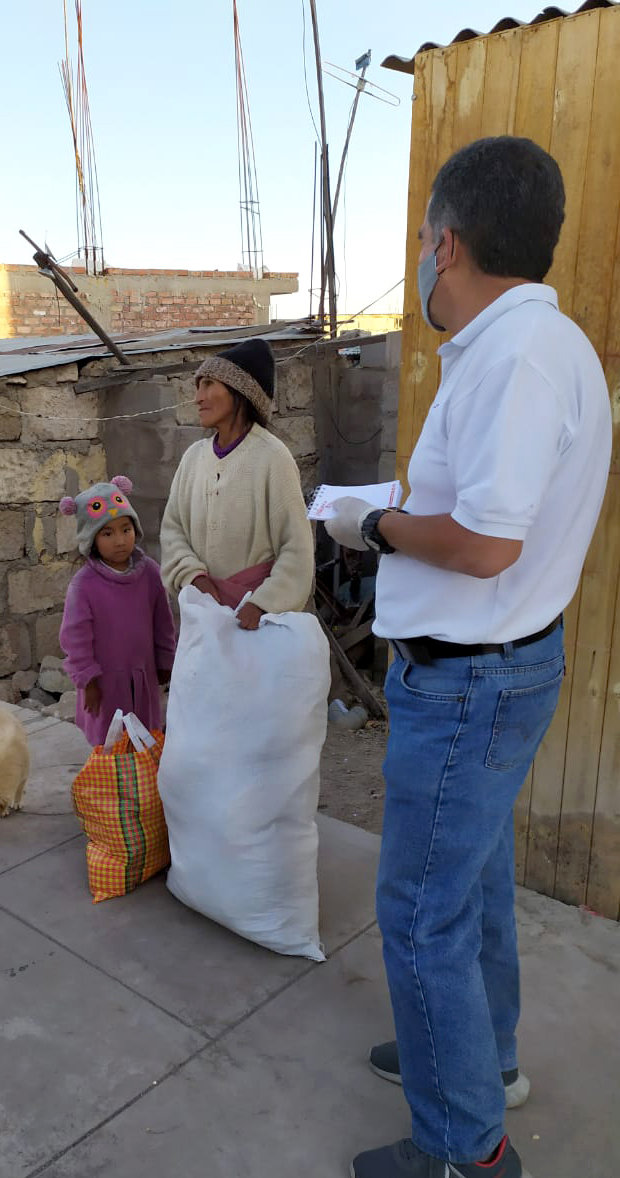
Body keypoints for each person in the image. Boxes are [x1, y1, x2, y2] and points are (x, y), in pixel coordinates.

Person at [326, 137, 611, 1178]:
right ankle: (476, 1061)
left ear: (446, 242)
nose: (418, 261)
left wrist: (380, 526)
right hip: (494, 669)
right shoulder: (530, 346)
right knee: (476, 876)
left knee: (416, 907)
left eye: (418, 242)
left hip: (473, 678)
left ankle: (464, 1151)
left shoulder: (517, 357)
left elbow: (488, 543)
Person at [159, 337, 314, 625]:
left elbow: (297, 549)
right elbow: (173, 529)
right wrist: (194, 577)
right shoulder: (194, 458)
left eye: (209, 385)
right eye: (199, 386)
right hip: (203, 616)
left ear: (240, 391)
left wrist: (262, 604)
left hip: (257, 623)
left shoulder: (272, 458)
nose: (198, 397)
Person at [58, 476, 176, 746]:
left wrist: (165, 663)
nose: (120, 540)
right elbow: (75, 638)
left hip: (143, 677)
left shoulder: (149, 574)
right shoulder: (84, 585)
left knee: (144, 738)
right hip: (105, 683)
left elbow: (163, 623)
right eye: (107, 533)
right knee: (109, 743)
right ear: (91, 539)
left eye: (126, 529)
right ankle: (111, 787)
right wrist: (87, 680)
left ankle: (139, 785)